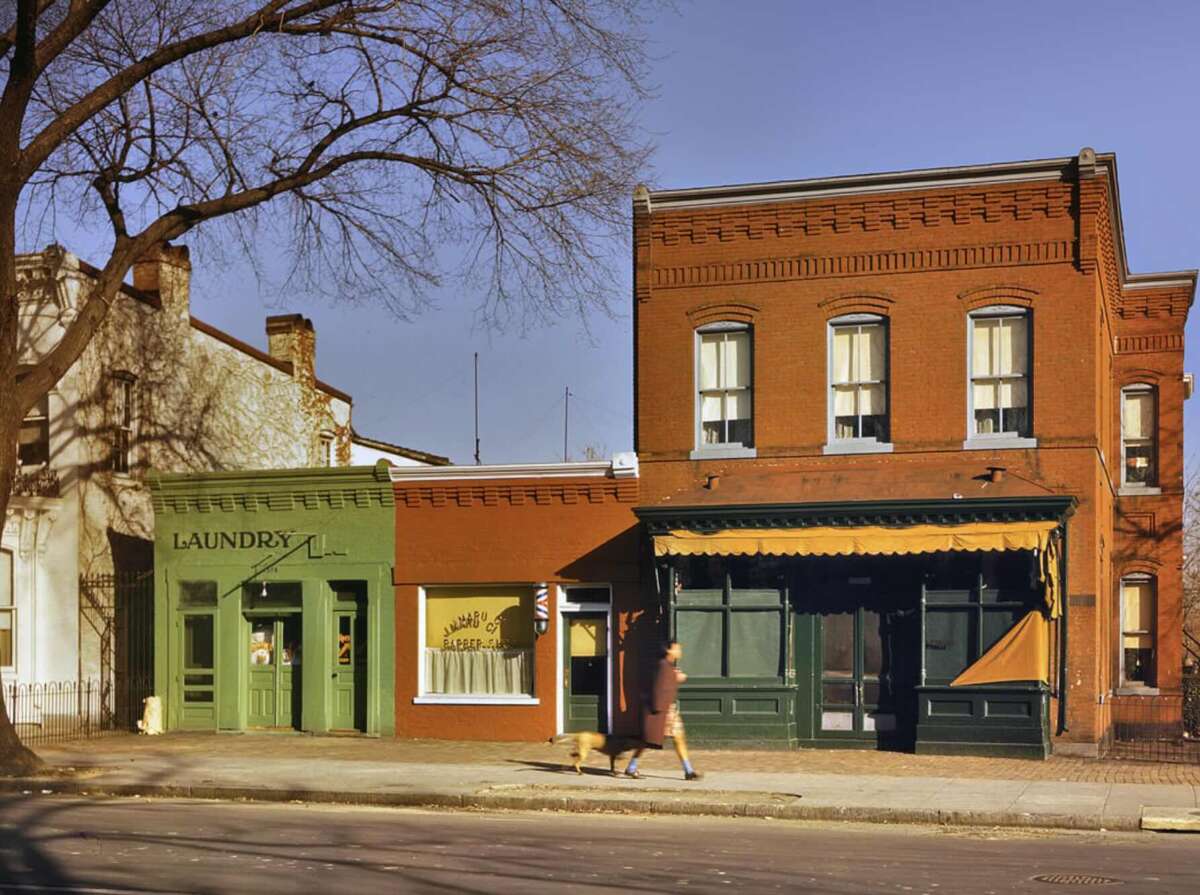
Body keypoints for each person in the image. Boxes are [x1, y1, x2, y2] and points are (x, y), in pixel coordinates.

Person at [625, 639, 702, 781]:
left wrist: (675, 677)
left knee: (678, 738)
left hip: (668, 709)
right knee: (648, 741)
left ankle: (689, 771)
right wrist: (676, 678)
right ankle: (631, 767)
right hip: (663, 711)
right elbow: (659, 687)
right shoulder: (663, 666)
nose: (680, 651)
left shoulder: (667, 666)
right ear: (669, 650)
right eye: (677, 649)